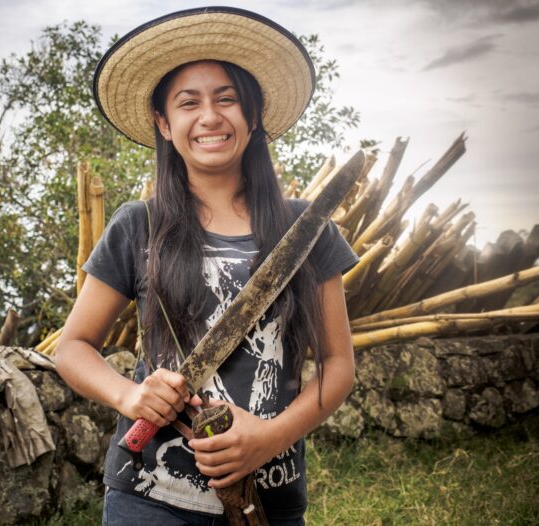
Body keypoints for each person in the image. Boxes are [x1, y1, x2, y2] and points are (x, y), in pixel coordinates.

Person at [55, 6, 358, 526]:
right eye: (188, 102)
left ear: (254, 114)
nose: (210, 117)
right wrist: (130, 395)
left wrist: (269, 438)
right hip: (148, 498)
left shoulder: (306, 230)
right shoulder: (138, 226)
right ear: (163, 123)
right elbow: (72, 348)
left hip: (272, 499)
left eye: (227, 99)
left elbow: (338, 365)